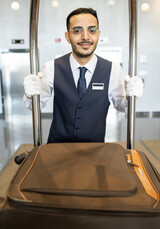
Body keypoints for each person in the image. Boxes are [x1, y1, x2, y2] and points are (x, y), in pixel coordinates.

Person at [23, 8, 143, 143]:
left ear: (98, 34)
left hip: (95, 149)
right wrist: (30, 95)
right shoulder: (51, 67)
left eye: (92, 30)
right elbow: (35, 106)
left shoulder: (113, 70)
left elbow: (122, 107)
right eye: (77, 31)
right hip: (57, 148)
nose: (85, 37)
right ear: (68, 37)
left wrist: (130, 96)